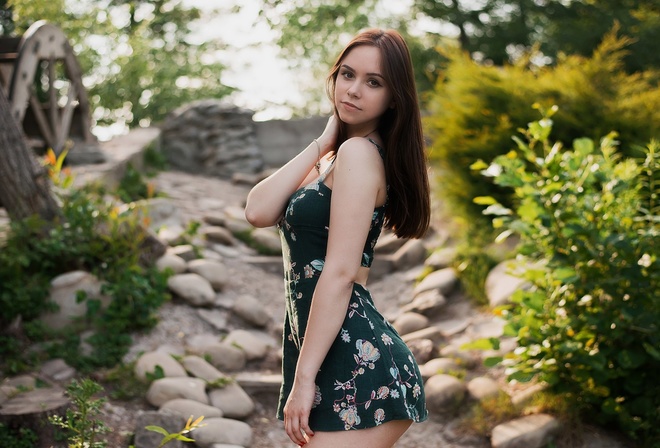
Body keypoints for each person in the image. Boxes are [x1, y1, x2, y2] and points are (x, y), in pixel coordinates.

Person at [245, 28, 431, 448]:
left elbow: (341, 273)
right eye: (347, 74)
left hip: (357, 358)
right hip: (330, 350)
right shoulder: (337, 156)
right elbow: (258, 210)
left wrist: (303, 379)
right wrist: (323, 141)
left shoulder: (360, 155)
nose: (353, 90)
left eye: (374, 82)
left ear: (394, 97)